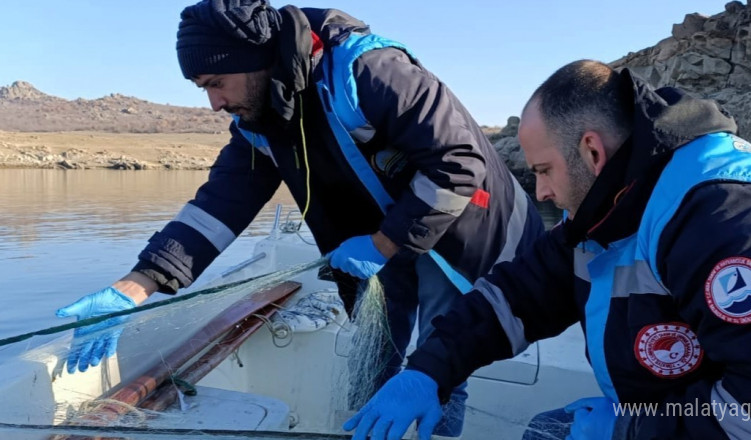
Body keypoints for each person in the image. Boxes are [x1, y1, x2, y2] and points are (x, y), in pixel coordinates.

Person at [53, 1, 544, 438]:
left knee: (439, 362)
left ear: (253, 61)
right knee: (374, 359)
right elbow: (216, 209)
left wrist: (383, 244)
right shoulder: (260, 119)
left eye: (215, 83)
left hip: (460, 229)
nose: (214, 102)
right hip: (379, 242)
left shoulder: (369, 70)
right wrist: (132, 289)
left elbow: (457, 163)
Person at [343, 59, 751, 440]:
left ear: (592, 151)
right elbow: (517, 296)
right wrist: (428, 370)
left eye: (543, 171)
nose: (543, 194)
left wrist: (632, 429)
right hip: (691, 413)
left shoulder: (732, 223)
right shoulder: (609, 206)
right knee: (548, 432)